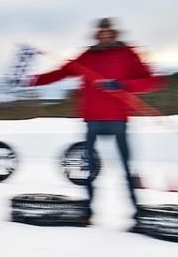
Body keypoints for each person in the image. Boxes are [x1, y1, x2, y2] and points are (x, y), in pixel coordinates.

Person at [29, 18, 165, 223]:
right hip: (92, 119)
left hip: (117, 119)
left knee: (126, 167)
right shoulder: (87, 56)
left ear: (114, 33)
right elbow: (61, 72)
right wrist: (31, 80)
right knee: (89, 168)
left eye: (109, 31)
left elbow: (152, 81)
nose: (105, 35)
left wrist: (122, 84)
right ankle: (88, 212)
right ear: (97, 34)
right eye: (102, 32)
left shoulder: (127, 53)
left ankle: (136, 212)